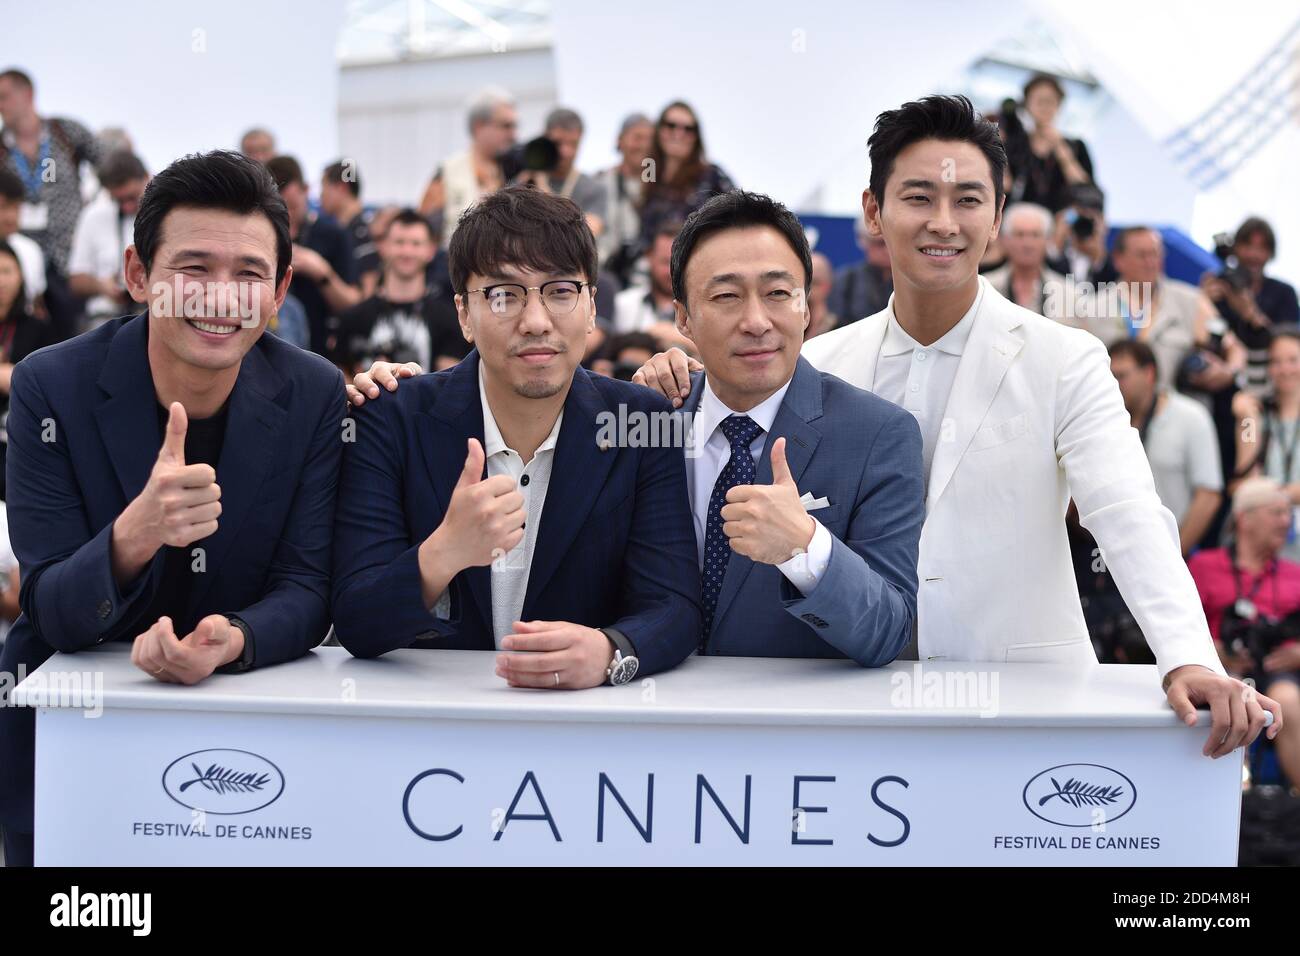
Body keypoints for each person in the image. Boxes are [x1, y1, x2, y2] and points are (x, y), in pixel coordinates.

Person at [631, 94, 1282, 758]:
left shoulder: (1065, 358)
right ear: (873, 211)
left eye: (968, 200)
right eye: (918, 197)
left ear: (997, 216)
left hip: (1028, 706)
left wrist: (1187, 657)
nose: (943, 222)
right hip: (855, 708)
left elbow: (1128, 515)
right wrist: (675, 381)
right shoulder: (818, 359)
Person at [0, 150, 346, 866]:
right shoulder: (49, 385)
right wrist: (135, 535)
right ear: (138, 275)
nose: (221, 298)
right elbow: (51, 609)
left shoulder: (314, 392)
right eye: (194, 269)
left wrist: (234, 639)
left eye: (249, 274)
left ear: (280, 289)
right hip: (72, 734)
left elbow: (308, 589)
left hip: (253, 731)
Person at [331, 184, 700, 687]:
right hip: (428, 724)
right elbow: (355, 619)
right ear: (464, 313)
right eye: (503, 295)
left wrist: (611, 651)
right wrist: (443, 553)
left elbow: (675, 606)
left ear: (593, 306)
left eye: (561, 291)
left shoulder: (639, 422)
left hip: (578, 728)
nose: (535, 321)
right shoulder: (392, 415)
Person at [663, 190, 921, 661]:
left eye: (778, 293)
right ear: (683, 316)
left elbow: (888, 632)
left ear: (806, 307)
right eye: (726, 296)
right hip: (645, 721)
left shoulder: (878, 435)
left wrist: (805, 548)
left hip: (800, 727)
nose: (756, 321)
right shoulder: (651, 424)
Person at [1189, 478, 1300, 790]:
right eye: (1275, 512)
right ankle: (1234, 799)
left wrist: (1297, 655)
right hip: (1221, 669)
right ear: (1244, 519)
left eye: (1287, 513)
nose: (1286, 521)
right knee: (1231, 695)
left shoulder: (1295, 573)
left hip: (1280, 671)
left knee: (1287, 699)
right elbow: (1181, 623)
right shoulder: (1204, 565)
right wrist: (1210, 649)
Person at [1078, 225, 1242, 397]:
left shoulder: (1190, 301)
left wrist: (1229, 372)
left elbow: (1235, 348)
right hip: (1110, 407)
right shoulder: (1094, 308)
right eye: (1142, 255)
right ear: (1119, 260)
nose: (1151, 263)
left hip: (1169, 412)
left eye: (1156, 254)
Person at [0, 68, 100, 338]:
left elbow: (108, 165)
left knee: (73, 332)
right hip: (19, 254)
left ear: (28, 94)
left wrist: (95, 215)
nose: (1, 105)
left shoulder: (66, 132)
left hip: (67, 253)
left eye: (5, 97)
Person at [1109, 340, 1222, 554]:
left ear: (1149, 374)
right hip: (1115, 556)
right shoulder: (1105, 421)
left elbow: (1208, 496)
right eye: (1110, 377)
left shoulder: (1191, 417)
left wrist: (1172, 556)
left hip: (1172, 550)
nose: (1114, 384)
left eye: (1121, 376)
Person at [335, 208, 467, 373]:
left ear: (431, 251)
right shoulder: (352, 319)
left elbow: (449, 383)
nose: (407, 251)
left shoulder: (449, 320)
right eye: (399, 242)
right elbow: (343, 384)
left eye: (416, 243)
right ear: (383, 246)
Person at [265, 154, 360, 355]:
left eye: (291, 206)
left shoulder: (332, 234)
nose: (286, 215)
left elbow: (353, 304)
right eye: (276, 208)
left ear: (306, 190)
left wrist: (321, 272)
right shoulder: (260, 236)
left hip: (320, 351)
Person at [1203, 217, 1300, 398]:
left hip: (1266, 389)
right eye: (1248, 246)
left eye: (1262, 248)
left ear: (1270, 253)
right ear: (1235, 249)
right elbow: (1204, 335)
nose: (1254, 255)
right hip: (1219, 387)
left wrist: (1250, 313)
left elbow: (1288, 346)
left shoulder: (1283, 293)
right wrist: (1202, 302)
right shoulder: (1219, 285)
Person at [1232, 330, 1300, 563]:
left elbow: (1255, 492)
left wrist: (1271, 495)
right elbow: (1245, 481)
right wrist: (1247, 418)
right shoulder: (1256, 417)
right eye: (1276, 362)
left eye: (1293, 360)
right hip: (1263, 546)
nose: (1285, 369)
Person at [418, 87, 517, 246]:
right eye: (506, 126)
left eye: (514, 126)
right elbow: (425, 234)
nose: (514, 135)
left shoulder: (516, 170)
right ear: (479, 126)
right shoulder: (448, 171)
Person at [0, 239, 57, 499]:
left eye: (6, 271)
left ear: (21, 276)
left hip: (19, 432)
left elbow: (49, 385)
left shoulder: (38, 327)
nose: (0, 281)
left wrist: (10, 376)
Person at [68, 151, 149, 330]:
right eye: (118, 200)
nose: (127, 206)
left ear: (147, 178)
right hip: (106, 318)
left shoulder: (169, 213)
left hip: (155, 312)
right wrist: (102, 286)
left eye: (132, 197)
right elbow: (76, 280)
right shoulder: (94, 216)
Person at [638, 101, 734, 250]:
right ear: (659, 130)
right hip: (652, 266)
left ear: (696, 137)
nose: (678, 134)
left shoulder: (712, 176)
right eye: (671, 125)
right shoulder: (648, 172)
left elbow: (736, 217)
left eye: (688, 129)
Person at [1002, 73, 1095, 214]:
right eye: (1039, 101)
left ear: (1059, 105)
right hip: (1019, 222)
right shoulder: (1014, 144)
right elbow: (1005, 187)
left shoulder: (1076, 145)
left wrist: (1061, 150)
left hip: (1061, 224)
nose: (1045, 107)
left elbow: (1086, 189)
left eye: (1050, 101)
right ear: (1026, 104)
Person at [515, 108, 606, 237]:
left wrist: (543, 189)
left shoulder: (593, 189)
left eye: (573, 144)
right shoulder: (523, 181)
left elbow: (586, 235)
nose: (565, 152)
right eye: (558, 143)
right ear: (545, 139)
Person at [982, 202, 1069, 319]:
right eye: (1019, 235)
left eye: (1035, 235)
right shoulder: (984, 289)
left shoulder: (1069, 295)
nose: (1028, 244)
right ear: (1004, 240)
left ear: (1048, 240)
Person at [595, 112, 654, 283]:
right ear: (620, 141)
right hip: (606, 274)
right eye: (637, 137)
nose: (643, 145)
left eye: (650, 139)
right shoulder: (600, 182)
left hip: (648, 278)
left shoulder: (658, 186)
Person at [320, 160, 381, 299]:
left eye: (324, 187)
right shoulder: (352, 229)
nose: (321, 196)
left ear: (342, 188)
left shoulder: (360, 232)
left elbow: (369, 287)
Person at [612, 221, 677, 333]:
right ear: (649, 257)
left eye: (677, 263)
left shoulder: (699, 309)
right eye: (664, 262)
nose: (670, 271)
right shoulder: (623, 304)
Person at [828, 220, 892, 326]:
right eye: (880, 243)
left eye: (891, 243)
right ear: (863, 241)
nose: (886, 250)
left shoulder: (911, 281)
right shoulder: (846, 280)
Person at [0, 168, 44, 310]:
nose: (11, 217)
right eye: (4, 207)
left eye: (16, 208)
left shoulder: (30, 250)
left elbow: (35, 305)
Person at [806, 251, 837, 338]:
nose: (806, 290)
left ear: (826, 286)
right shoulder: (796, 327)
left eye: (813, 283)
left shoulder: (838, 329)